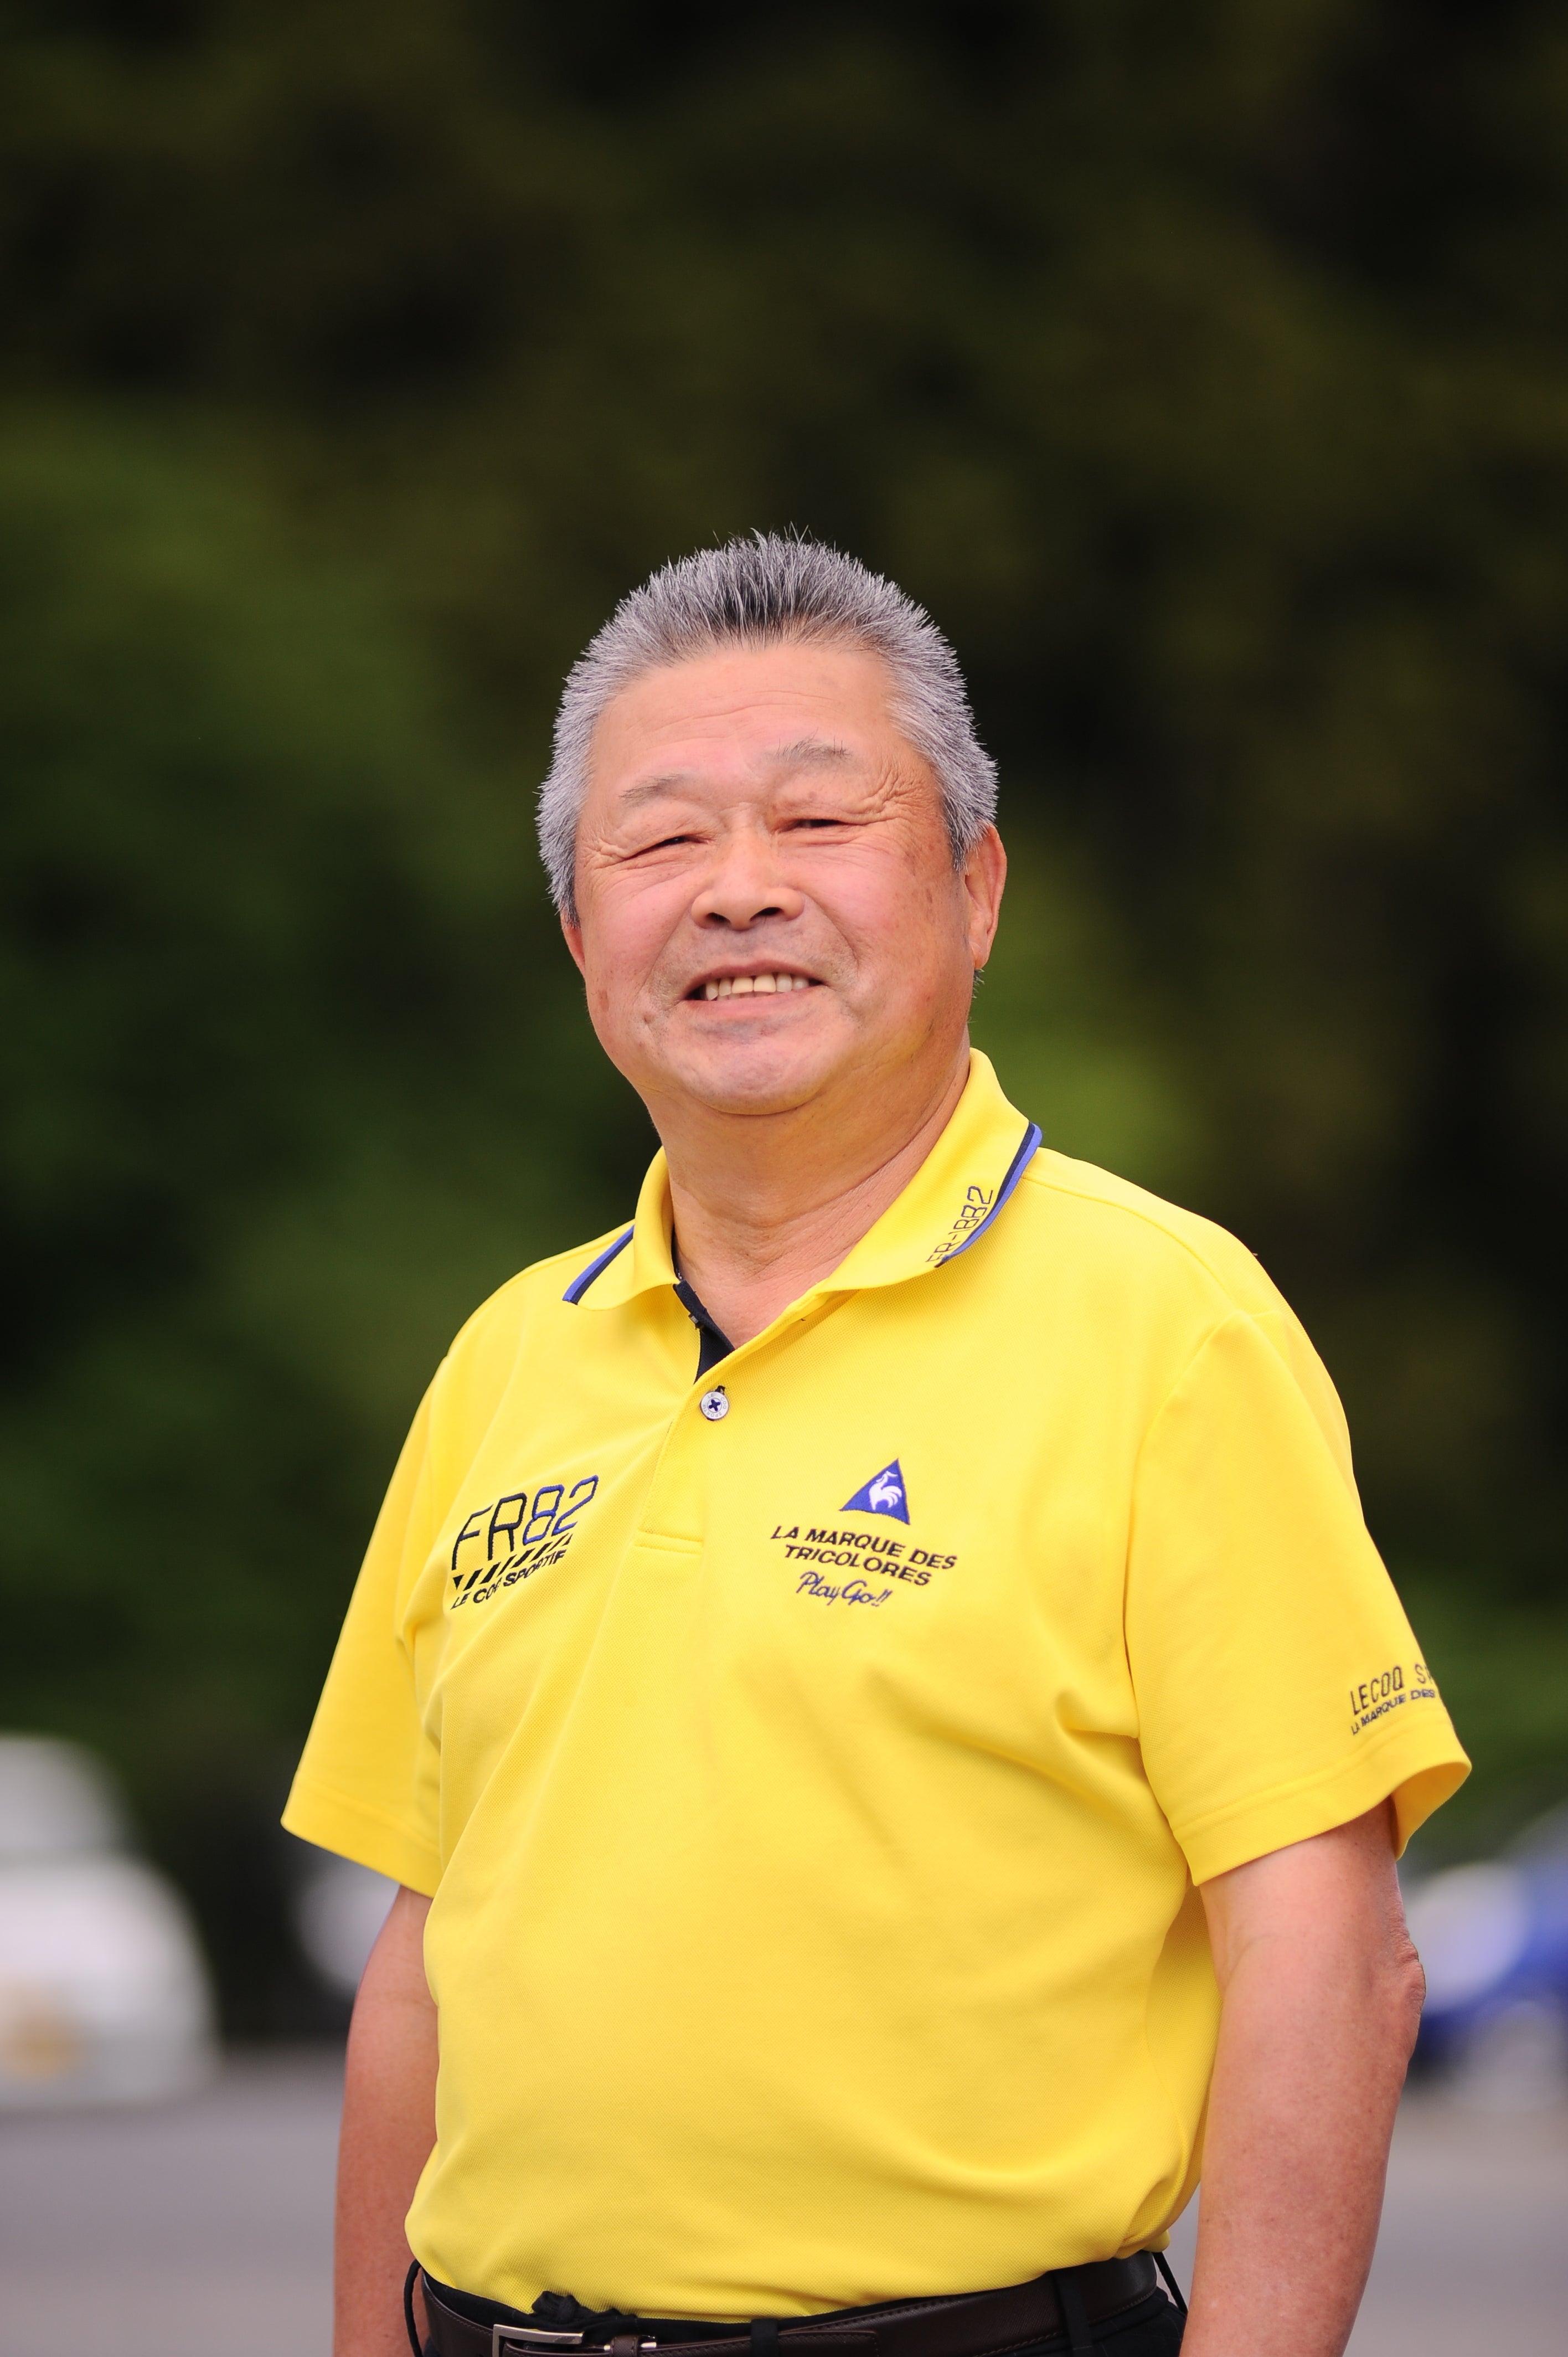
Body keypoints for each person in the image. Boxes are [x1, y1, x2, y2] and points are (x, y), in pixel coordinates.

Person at [284, 536, 1469, 2357]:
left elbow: (1329, 1955)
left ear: (974, 891)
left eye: (820, 820)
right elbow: (422, 1979)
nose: (739, 891)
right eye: (662, 843)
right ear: (581, 934)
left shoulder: (1169, 1326)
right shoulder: (508, 1357)